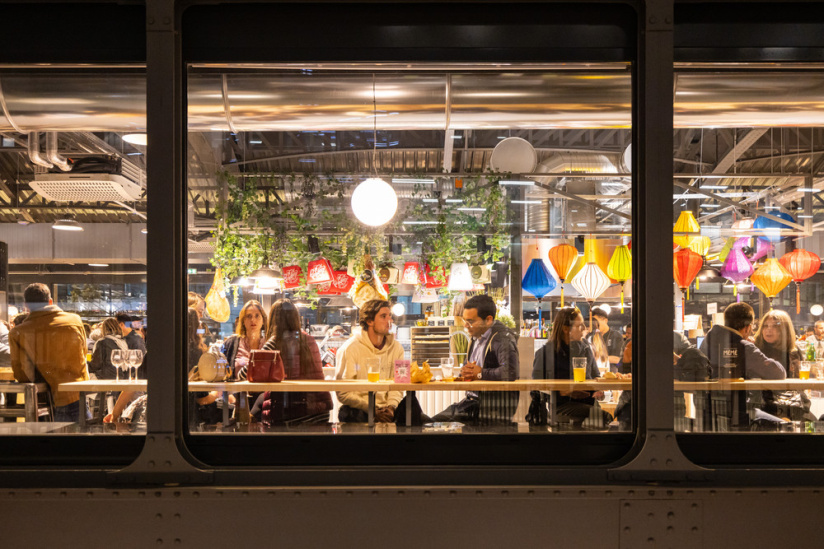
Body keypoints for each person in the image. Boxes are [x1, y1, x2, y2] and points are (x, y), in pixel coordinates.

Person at [431, 294, 519, 424]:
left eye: (470, 321)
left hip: (492, 409)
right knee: (429, 423)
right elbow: (472, 370)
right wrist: (465, 372)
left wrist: (479, 373)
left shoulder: (502, 338)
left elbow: (510, 372)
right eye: (465, 321)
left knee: (432, 425)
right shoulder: (475, 337)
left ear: (488, 320)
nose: (466, 325)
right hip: (471, 404)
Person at [8, 283, 90, 422]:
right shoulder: (74, 320)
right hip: (77, 392)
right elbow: (83, 352)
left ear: (26, 305)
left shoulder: (18, 332)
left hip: (47, 398)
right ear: (50, 301)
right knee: (86, 439)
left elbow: (21, 371)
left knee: (51, 441)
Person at [253, 299, 332, 425]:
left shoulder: (274, 342)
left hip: (291, 413)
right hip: (320, 411)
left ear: (274, 320)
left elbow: (245, 373)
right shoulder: (310, 340)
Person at [532, 307, 611, 427]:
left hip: (589, 402)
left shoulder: (586, 349)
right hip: (561, 406)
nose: (584, 329)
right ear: (565, 329)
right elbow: (536, 387)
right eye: (579, 325)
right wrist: (563, 392)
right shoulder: (546, 353)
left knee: (608, 418)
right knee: (606, 418)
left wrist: (598, 390)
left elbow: (595, 375)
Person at [336, 299, 404, 423]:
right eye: (383, 316)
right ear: (369, 321)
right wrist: (372, 409)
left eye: (390, 316)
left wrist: (391, 407)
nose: (390, 321)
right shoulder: (349, 348)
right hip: (361, 409)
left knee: (415, 413)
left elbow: (400, 385)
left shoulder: (398, 348)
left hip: (388, 408)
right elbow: (343, 393)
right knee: (349, 413)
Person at [753, 309, 815, 422]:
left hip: (794, 403)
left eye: (775, 326)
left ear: (784, 330)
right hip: (767, 405)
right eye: (765, 326)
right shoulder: (757, 350)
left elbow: (799, 382)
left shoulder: (794, 351)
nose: (768, 330)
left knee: (814, 425)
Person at [699, 302, 786, 380]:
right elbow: (778, 373)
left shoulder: (707, 340)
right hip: (734, 396)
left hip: (707, 396)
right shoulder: (745, 347)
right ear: (747, 328)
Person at [223, 300, 268, 380]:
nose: (253, 320)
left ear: (263, 320)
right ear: (243, 320)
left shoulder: (268, 345)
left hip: (262, 391)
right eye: (249, 316)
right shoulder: (232, 343)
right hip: (237, 391)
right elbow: (221, 372)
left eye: (257, 316)